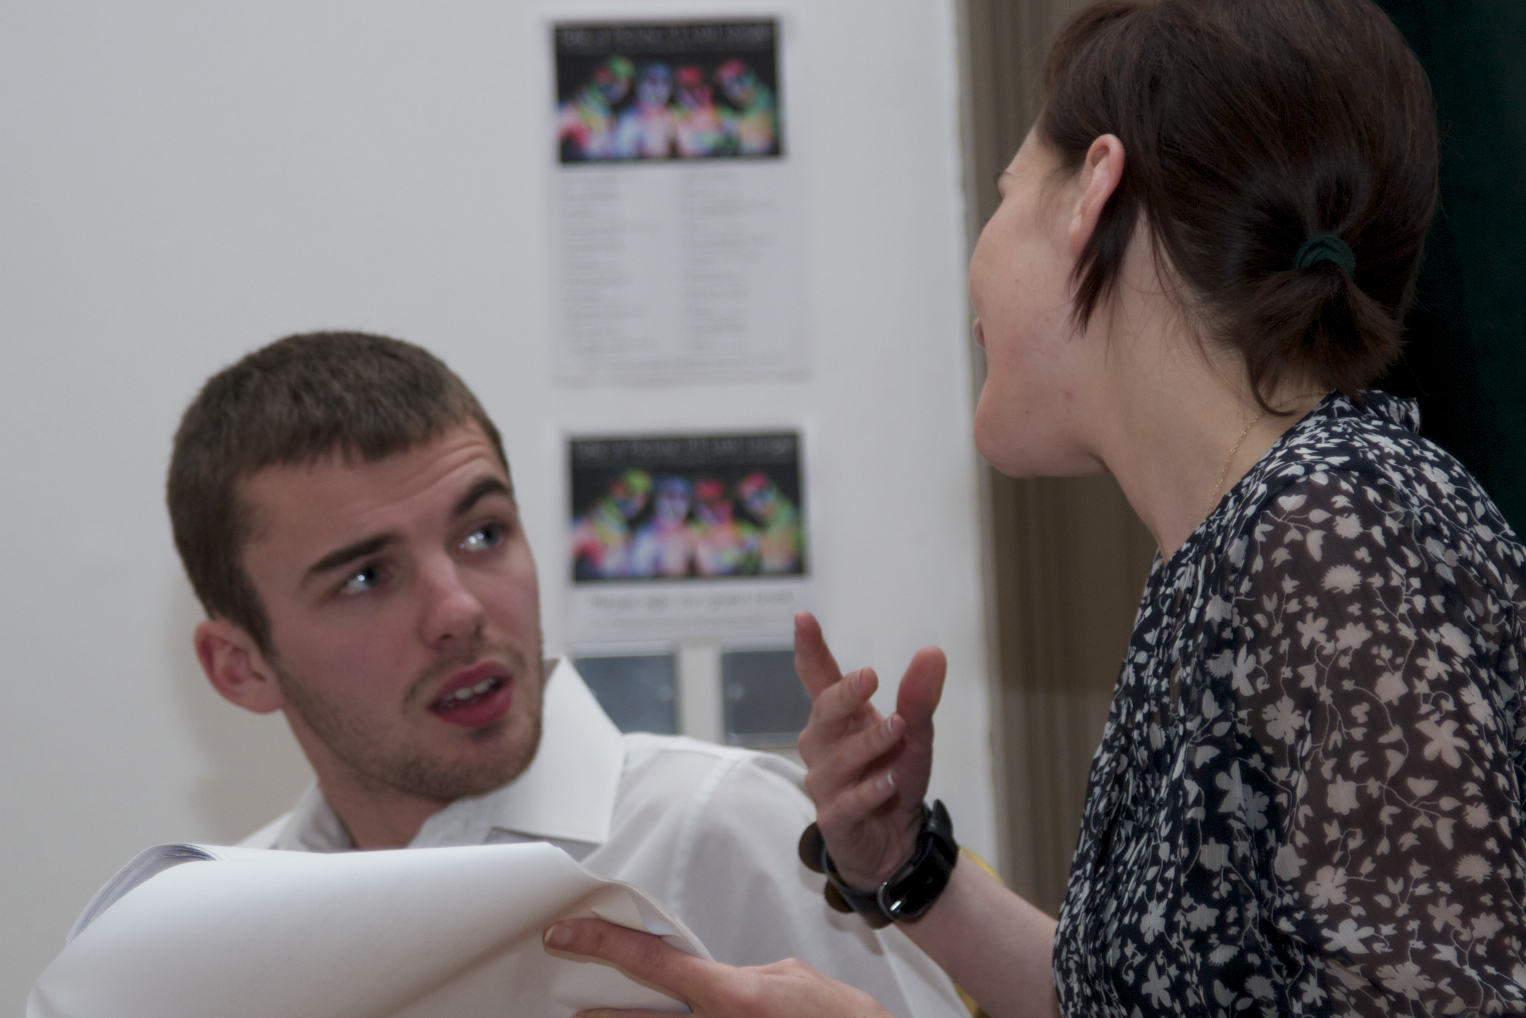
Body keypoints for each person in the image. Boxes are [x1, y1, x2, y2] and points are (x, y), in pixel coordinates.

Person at [544, 1, 1526, 1015]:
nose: (977, 259)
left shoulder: (1332, 530)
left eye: (1008, 191)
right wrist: (907, 866)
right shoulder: (1232, 551)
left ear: (1088, 190)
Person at [166, 331, 967, 1018]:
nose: (459, 610)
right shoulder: (217, 927)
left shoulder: (727, 829)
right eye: (367, 578)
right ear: (240, 668)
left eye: (482, 535)